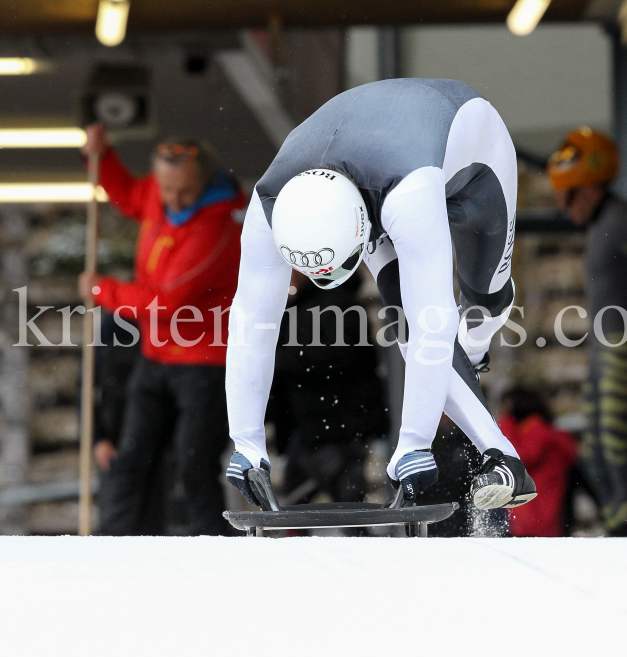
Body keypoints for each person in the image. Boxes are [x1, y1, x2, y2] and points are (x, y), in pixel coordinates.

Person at [224, 78, 537, 511]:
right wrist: (246, 443)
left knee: (483, 303)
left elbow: (434, 321)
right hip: (378, 161)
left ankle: (474, 350)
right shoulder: (269, 205)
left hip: (471, 146)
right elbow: (249, 324)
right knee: (404, 318)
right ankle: (505, 460)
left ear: (360, 226)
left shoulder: (407, 196)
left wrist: (415, 443)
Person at [79, 124, 245, 536]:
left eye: (183, 192)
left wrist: (102, 289)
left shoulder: (218, 230)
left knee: (194, 465)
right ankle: (115, 543)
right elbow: (126, 194)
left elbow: (167, 302)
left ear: (204, 183)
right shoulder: (160, 192)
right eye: (166, 189)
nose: (171, 200)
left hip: (206, 364)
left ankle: (212, 546)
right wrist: (99, 156)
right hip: (156, 357)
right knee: (131, 458)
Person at [547, 127, 627, 537]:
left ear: (591, 188)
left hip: (624, 348)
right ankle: (620, 524)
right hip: (607, 348)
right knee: (595, 450)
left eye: (569, 194)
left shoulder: (626, 222)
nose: (563, 206)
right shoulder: (608, 224)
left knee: (615, 449)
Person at [269, 271, 389, 505]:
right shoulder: (300, 304)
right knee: (294, 508)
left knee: (345, 508)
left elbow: (341, 357)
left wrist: (281, 360)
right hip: (312, 427)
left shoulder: (337, 303)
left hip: (338, 427)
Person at [497, 387, 577, 537]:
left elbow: (517, 458)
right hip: (543, 517)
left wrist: (504, 426)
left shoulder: (535, 431)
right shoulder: (544, 430)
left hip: (534, 518)